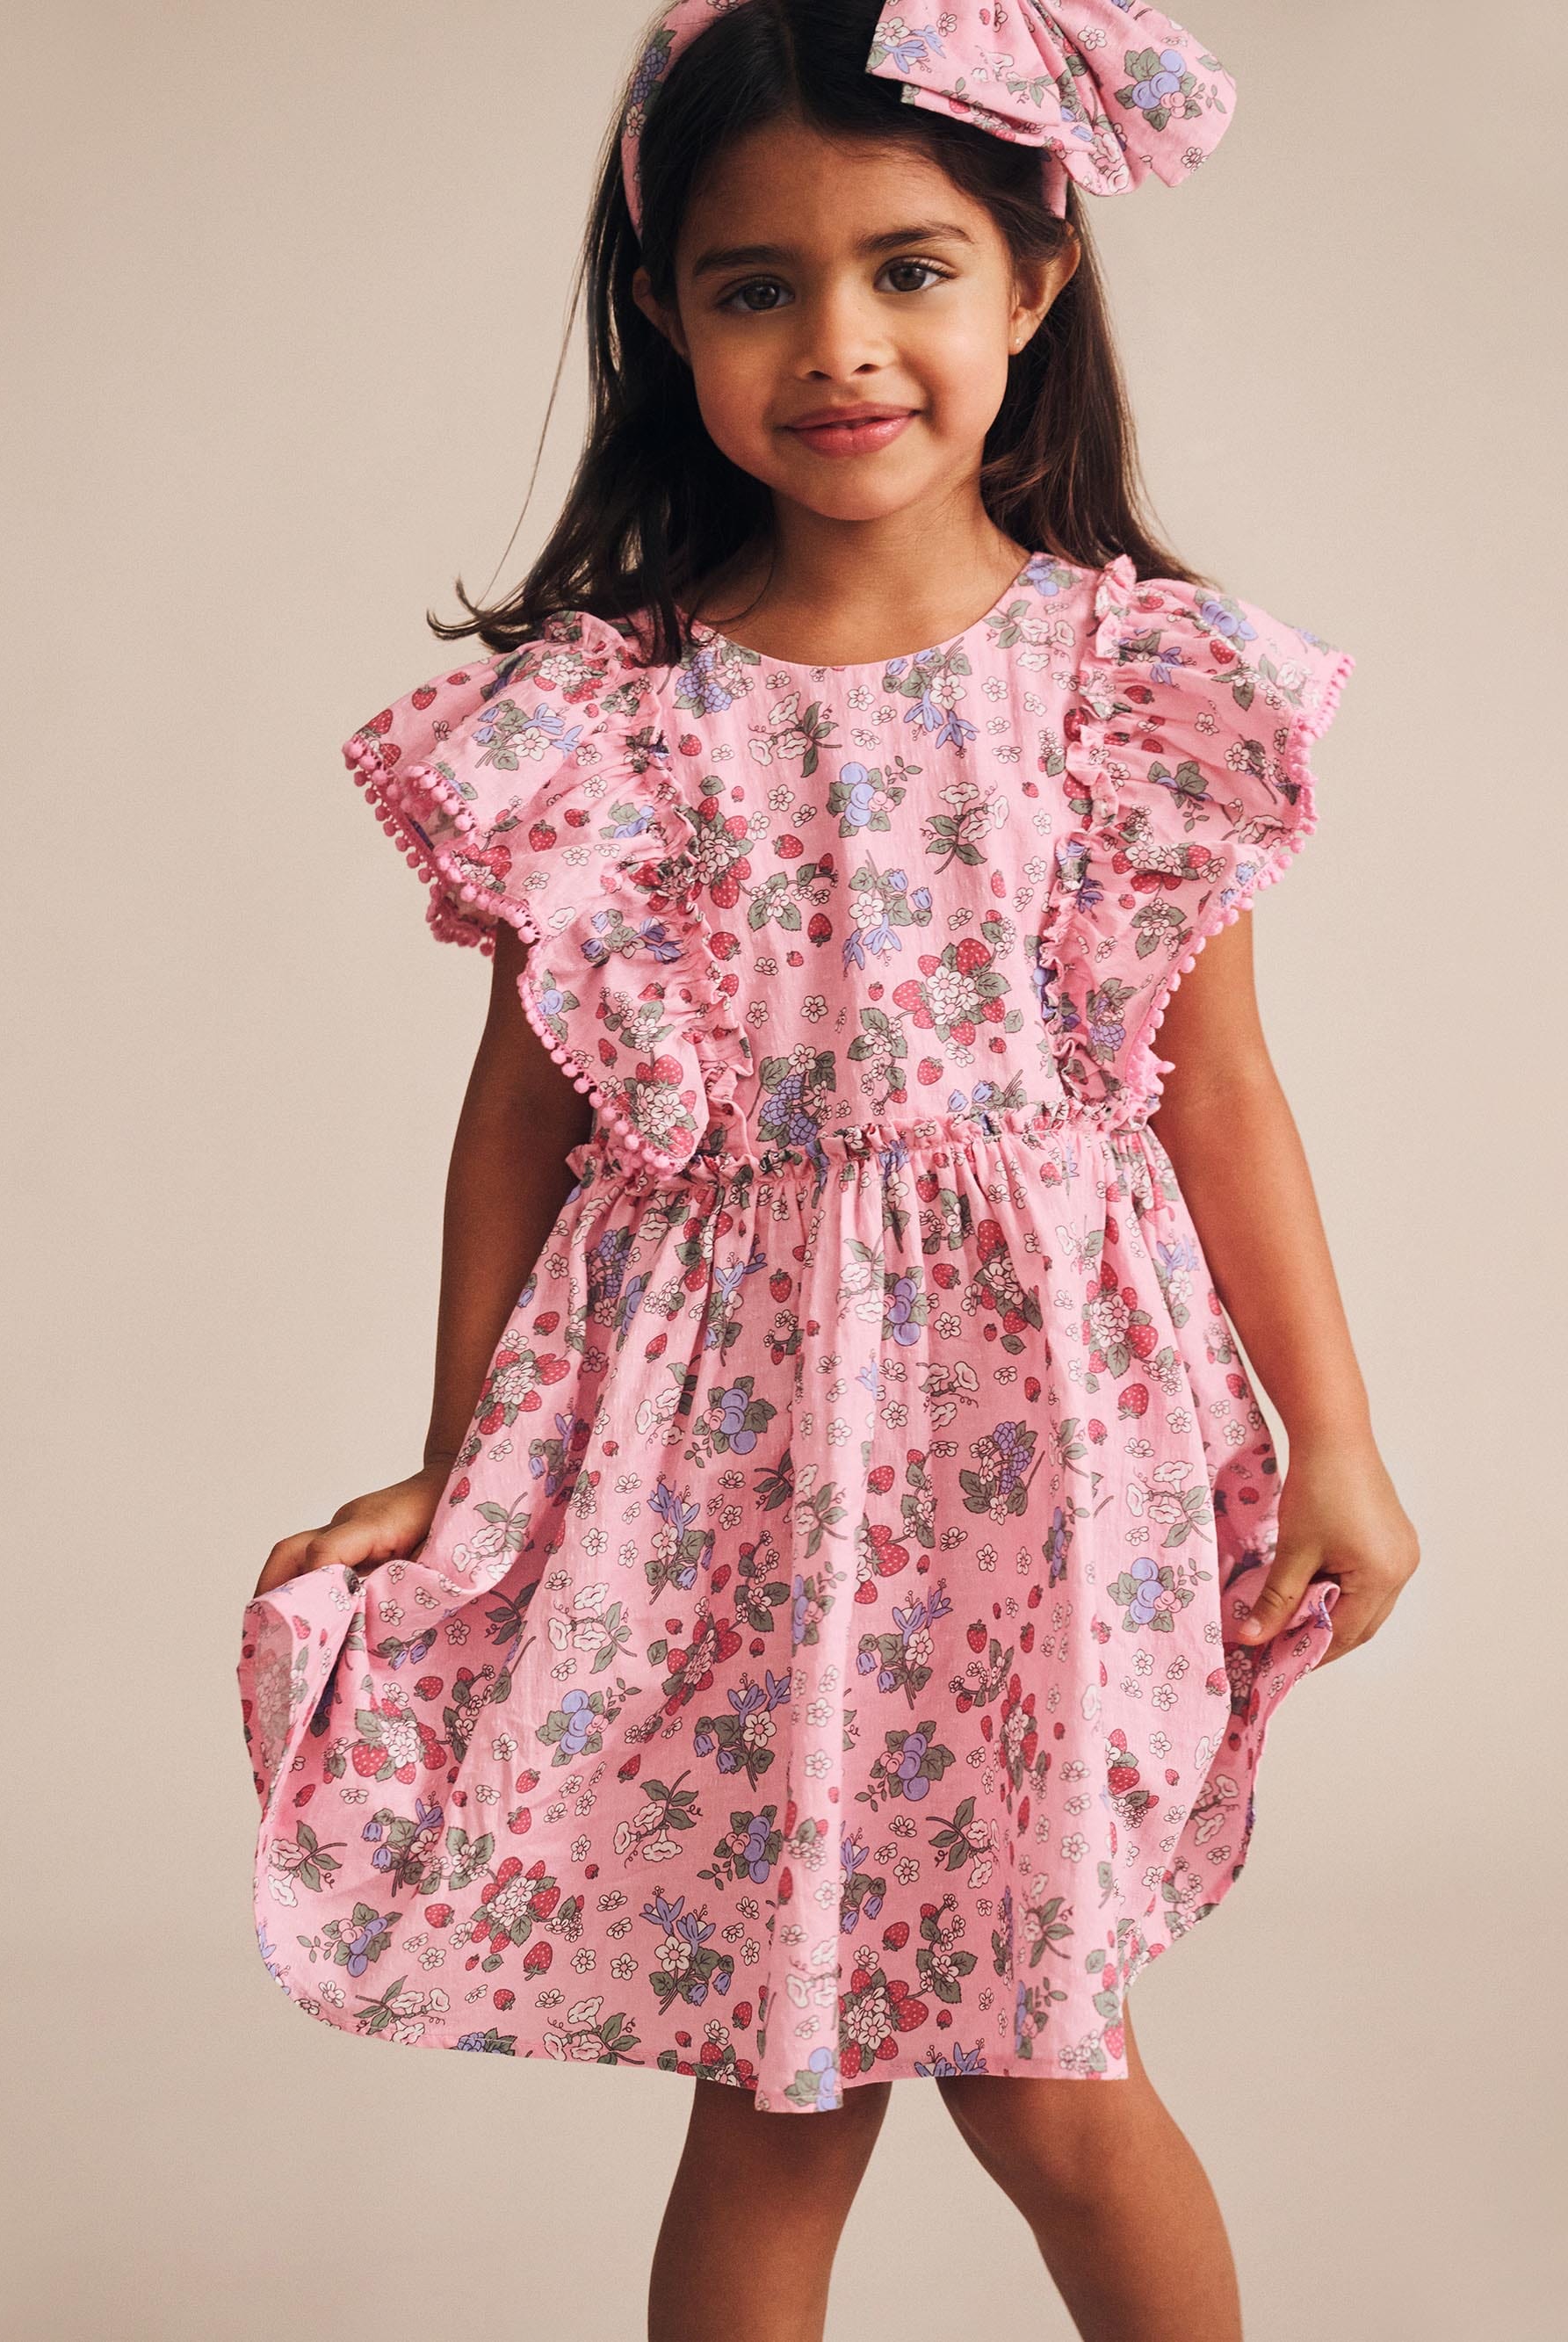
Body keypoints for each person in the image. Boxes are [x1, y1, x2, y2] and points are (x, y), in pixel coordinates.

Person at [239, 5, 1419, 2335]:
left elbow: (1220, 1088)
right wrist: (464, 1463)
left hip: (1035, 1471)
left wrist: (1340, 1441)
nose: (841, 343)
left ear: (1037, 279)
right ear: (665, 315)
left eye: (911, 268)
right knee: (774, 2101)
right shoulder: (612, 720)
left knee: (1050, 2085)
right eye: (756, 286)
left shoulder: (1131, 684)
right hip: (733, 1487)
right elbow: (523, 1115)